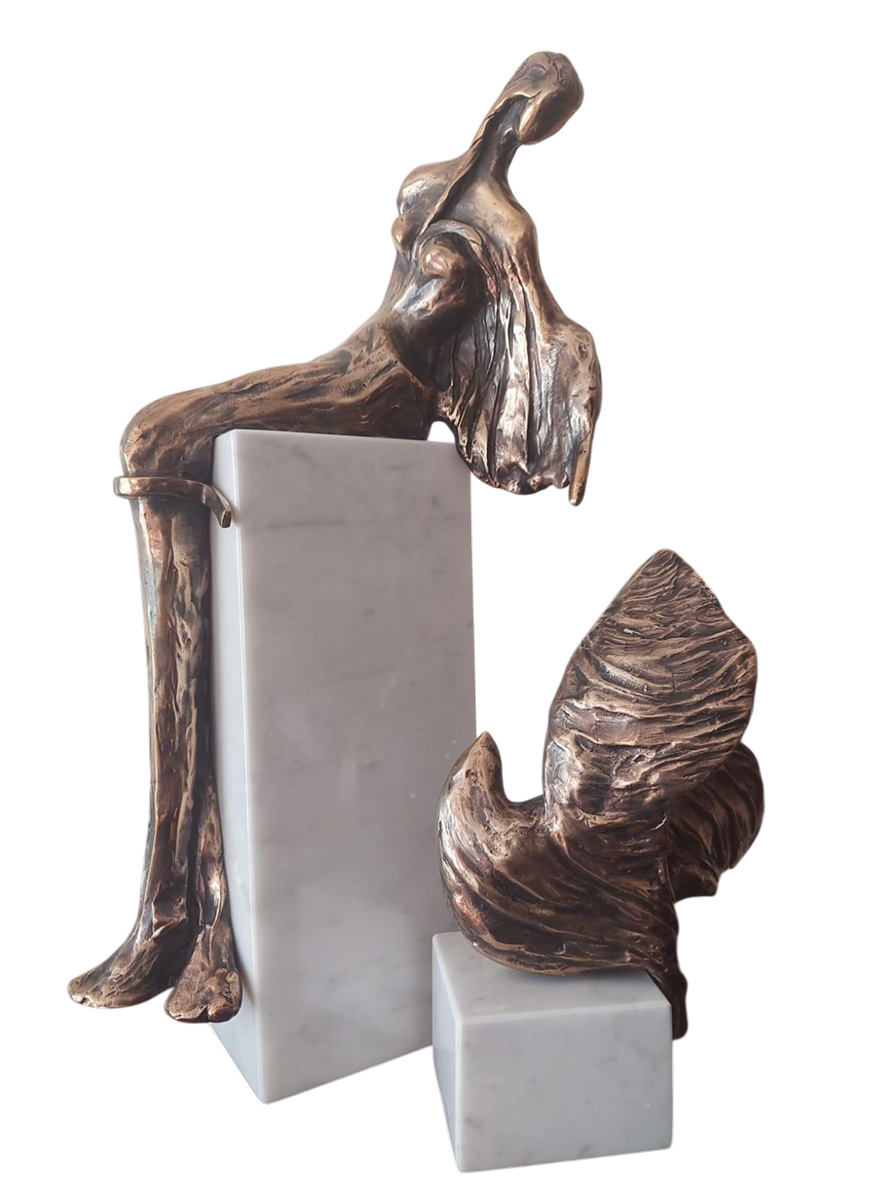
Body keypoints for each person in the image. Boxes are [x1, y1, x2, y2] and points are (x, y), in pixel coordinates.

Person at [68, 51, 601, 1022]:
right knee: (155, 441)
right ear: (520, 98)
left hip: (385, 394)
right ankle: (181, 903)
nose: (538, 119)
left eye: (553, 111)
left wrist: (570, 372)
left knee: (157, 437)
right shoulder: (435, 182)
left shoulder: (507, 231)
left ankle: (179, 907)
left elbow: (529, 335)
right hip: (349, 359)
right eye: (541, 101)